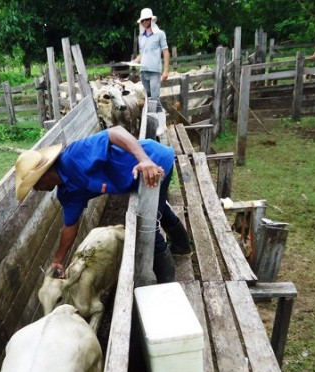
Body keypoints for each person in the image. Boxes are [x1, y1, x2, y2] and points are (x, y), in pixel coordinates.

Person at [15, 126, 192, 283]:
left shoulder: (75, 155)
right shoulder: (67, 193)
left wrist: (143, 160)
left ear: (43, 176)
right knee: (158, 208)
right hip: (136, 180)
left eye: (34, 185)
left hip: (154, 163)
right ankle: (182, 247)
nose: (36, 190)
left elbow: (115, 132)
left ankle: (166, 282)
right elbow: (70, 227)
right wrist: (58, 260)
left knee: (147, 225)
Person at [132, 8, 169, 134]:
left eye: (147, 19)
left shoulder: (160, 34)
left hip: (155, 72)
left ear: (152, 20)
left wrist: (165, 71)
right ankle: (154, 125)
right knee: (149, 99)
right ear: (141, 22)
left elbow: (165, 52)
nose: (145, 22)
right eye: (143, 20)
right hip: (144, 72)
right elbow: (142, 54)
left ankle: (162, 126)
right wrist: (134, 62)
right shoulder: (141, 37)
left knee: (155, 99)